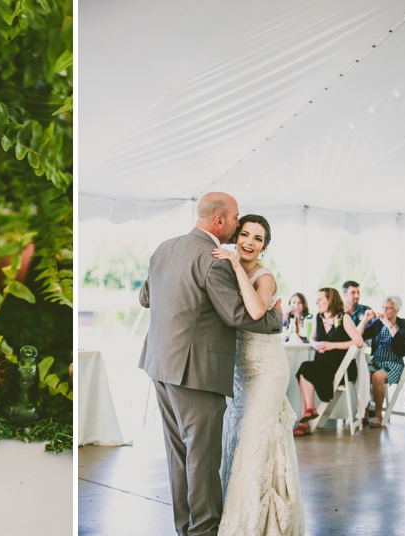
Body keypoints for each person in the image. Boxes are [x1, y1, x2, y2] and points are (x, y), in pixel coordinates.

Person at [138, 193, 284, 536]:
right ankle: (203, 531)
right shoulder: (214, 259)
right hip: (196, 372)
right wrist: (277, 319)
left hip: (160, 365)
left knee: (179, 457)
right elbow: (236, 315)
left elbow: (145, 297)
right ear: (219, 221)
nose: (237, 226)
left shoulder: (164, 248)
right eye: (235, 220)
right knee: (202, 461)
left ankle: (184, 528)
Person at [212, 215, 305, 535]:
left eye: (258, 239)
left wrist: (238, 267)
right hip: (239, 369)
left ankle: (248, 525)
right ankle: (250, 514)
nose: (249, 243)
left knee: (254, 440)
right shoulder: (220, 266)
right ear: (236, 235)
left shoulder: (265, 278)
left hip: (267, 369)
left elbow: (254, 312)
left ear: (265, 246)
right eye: (245, 235)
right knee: (239, 441)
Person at [293, 288, 364, 436]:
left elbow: (359, 342)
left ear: (330, 300)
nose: (316, 302)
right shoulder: (317, 317)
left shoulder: (344, 318)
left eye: (320, 299)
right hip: (323, 364)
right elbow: (312, 338)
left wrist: (332, 345)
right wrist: (315, 345)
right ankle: (309, 411)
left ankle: (305, 421)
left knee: (305, 369)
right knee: (304, 370)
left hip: (339, 367)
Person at [358, 296, 405, 428]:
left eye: (388, 308)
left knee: (377, 377)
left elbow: (400, 341)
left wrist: (388, 323)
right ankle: (363, 411)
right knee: (364, 374)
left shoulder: (403, 323)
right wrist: (365, 321)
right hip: (377, 361)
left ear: (396, 310)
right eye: (383, 307)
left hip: (394, 363)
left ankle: (378, 414)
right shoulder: (377, 323)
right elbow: (359, 336)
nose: (384, 310)